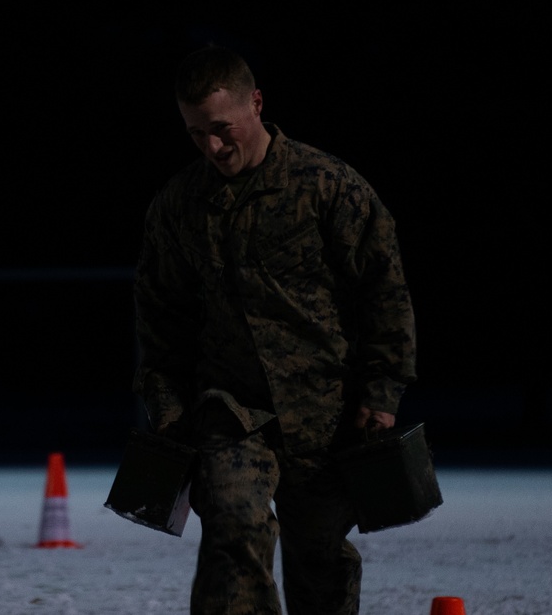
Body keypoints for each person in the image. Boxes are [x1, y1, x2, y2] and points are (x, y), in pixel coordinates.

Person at [132, 45, 417, 615]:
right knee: (232, 532)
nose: (211, 147)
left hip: (326, 413)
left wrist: (381, 396)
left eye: (220, 128)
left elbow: (383, 294)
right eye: (194, 134)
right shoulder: (179, 205)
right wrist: (167, 412)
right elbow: (161, 319)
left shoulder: (328, 188)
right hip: (229, 410)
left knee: (319, 561)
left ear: (255, 104)